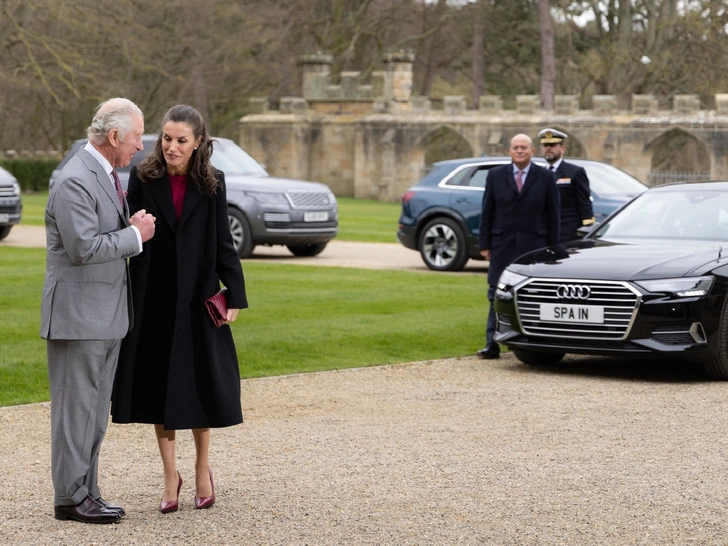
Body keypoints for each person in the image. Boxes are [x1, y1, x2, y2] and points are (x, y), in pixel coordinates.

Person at [111, 104, 247, 513]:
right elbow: (130, 232)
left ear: (198, 143)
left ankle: (202, 468)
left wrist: (234, 295)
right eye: (166, 139)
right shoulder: (142, 176)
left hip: (199, 298)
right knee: (159, 386)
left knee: (200, 382)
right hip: (153, 296)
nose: (170, 147)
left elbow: (224, 241)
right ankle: (170, 475)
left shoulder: (213, 183)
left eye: (180, 141)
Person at [41, 98, 156, 523]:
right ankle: (70, 498)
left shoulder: (103, 174)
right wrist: (135, 235)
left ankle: (86, 490)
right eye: (135, 138)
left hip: (104, 317)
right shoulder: (75, 179)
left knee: (92, 411)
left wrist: (129, 230)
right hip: (78, 319)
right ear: (113, 137)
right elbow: (84, 247)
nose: (140, 147)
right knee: (75, 412)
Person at [476, 133, 561, 359]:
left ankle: (537, 341)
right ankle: (491, 343)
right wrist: (485, 244)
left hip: (534, 245)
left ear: (533, 151)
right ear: (510, 151)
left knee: (536, 293)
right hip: (502, 244)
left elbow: (553, 215)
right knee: (496, 293)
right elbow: (488, 211)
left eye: (524, 147)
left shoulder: (545, 177)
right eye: (516, 147)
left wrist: (553, 248)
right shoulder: (495, 176)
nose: (520, 151)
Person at [538, 128, 595, 242]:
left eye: (553, 145)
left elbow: (584, 204)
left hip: (567, 234)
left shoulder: (575, 172)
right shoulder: (538, 174)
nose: (548, 148)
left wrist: (587, 226)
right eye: (545, 145)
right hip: (543, 234)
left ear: (562, 149)